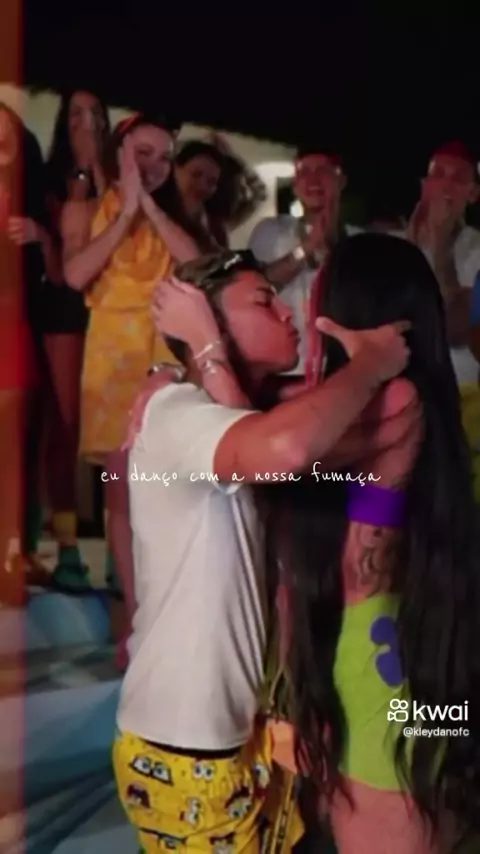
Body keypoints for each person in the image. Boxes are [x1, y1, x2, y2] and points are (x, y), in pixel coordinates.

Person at [112, 248, 413, 852]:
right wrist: (371, 364)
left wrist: (192, 356)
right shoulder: (176, 413)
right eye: (263, 300)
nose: (287, 312)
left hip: (240, 731)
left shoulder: (253, 411)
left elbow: (290, 442)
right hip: (187, 743)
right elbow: (285, 453)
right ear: (209, 320)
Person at [266, 234, 480, 853]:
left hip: (385, 675)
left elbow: (275, 454)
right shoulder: (361, 402)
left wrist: (209, 361)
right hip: (383, 662)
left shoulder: (397, 397)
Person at [40, 89, 111, 585]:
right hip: (66, 309)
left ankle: (118, 548)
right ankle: (67, 548)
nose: (87, 122)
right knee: (67, 425)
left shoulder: (121, 175)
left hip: (116, 309)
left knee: (116, 430)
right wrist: (83, 175)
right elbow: (65, 256)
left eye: (95, 113)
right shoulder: (52, 180)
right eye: (77, 114)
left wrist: (100, 170)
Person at [0, 103, 60, 597]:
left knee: (16, 448)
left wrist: (40, 236)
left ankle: (13, 553)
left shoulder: (36, 200)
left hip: (14, 325)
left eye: (5, 136)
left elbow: (62, 278)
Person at [248, 149, 352, 378]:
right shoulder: (271, 231)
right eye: (304, 172)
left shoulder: (357, 241)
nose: (313, 179)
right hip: (286, 372)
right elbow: (255, 289)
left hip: (343, 373)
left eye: (323, 170)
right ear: (295, 185)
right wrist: (305, 249)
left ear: (341, 181)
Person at [407, 140, 480, 386]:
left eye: (458, 178)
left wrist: (440, 251)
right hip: (408, 390)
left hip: (462, 389)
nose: (446, 185)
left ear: (473, 194)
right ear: (424, 185)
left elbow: (458, 332)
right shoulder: (398, 244)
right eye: (438, 174)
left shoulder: (476, 249)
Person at [157, 136, 267, 252]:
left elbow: (260, 194)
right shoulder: (156, 208)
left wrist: (234, 156)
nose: (202, 186)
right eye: (196, 174)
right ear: (175, 169)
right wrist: (199, 142)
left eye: (211, 182)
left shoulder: (216, 227)